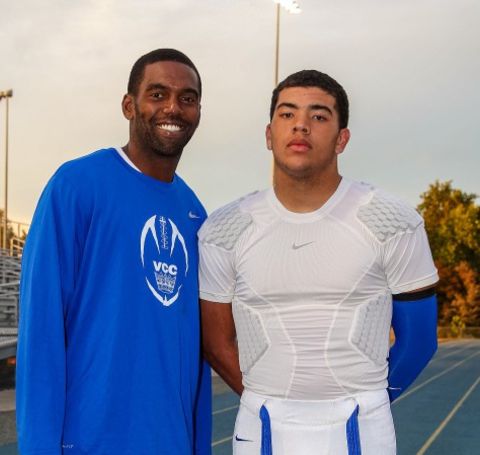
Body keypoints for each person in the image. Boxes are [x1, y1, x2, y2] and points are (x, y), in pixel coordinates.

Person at [198, 70, 438, 455]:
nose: (301, 126)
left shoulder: (393, 221)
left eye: (319, 116)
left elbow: (421, 341)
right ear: (268, 133)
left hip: (361, 427)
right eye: (287, 114)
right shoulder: (223, 229)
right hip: (262, 428)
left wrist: (368, 402)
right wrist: (270, 399)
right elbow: (215, 341)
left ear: (342, 138)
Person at [16, 48, 211, 455]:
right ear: (129, 105)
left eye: (187, 98)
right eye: (157, 94)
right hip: (91, 443)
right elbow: (42, 331)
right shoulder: (77, 186)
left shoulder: (193, 212)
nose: (173, 107)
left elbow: (197, 353)